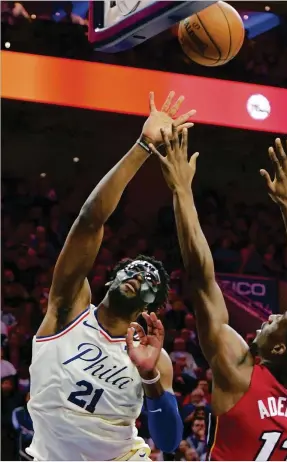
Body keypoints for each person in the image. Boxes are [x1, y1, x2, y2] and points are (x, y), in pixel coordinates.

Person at [26, 92, 195, 461]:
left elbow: (167, 442)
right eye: (132, 269)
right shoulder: (69, 307)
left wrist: (150, 377)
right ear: (111, 278)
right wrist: (143, 146)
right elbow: (89, 221)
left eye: (150, 280)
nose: (138, 275)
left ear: (152, 303)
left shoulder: (154, 358)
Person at [151, 130, 287, 461]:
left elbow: (202, 278)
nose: (271, 316)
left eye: (279, 320)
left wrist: (181, 190)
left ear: (279, 347)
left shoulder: (238, 374)